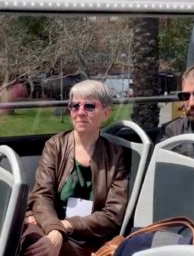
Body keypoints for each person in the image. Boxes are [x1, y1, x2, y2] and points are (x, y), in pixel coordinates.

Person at [20, 80, 128, 256]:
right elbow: (41, 196)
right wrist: (55, 230)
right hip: (49, 227)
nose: (80, 112)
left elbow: (112, 215)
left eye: (89, 106)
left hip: (88, 238)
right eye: (75, 106)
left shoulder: (115, 155)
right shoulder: (55, 146)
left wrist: (67, 225)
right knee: (36, 245)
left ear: (106, 113)